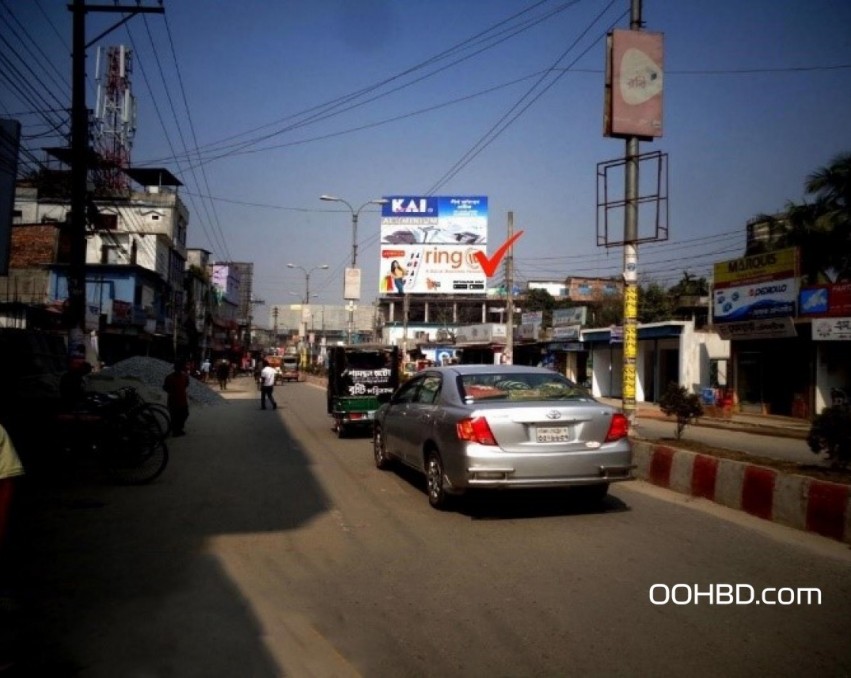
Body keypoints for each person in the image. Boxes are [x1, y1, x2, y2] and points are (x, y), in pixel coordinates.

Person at [163, 361, 190, 436]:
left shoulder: (184, 377)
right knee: (175, 416)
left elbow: (186, 384)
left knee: (184, 414)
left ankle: (178, 428)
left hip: (182, 399)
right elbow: (165, 387)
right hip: (173, 401)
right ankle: (176, 431)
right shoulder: (169, 377)